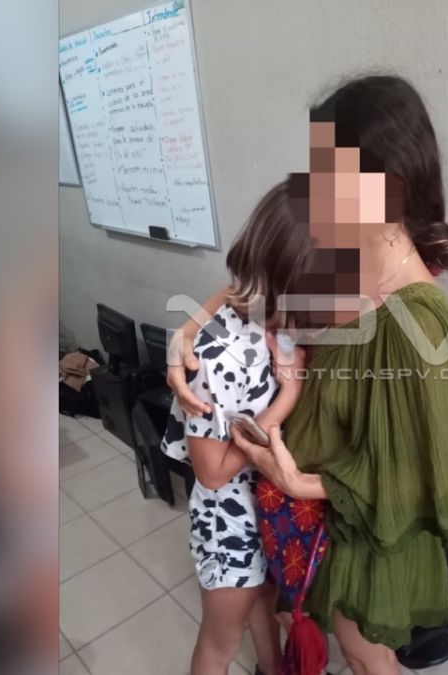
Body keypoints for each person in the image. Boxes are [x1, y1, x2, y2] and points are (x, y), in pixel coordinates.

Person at [171, 75, 448, 675]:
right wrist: (191, 328)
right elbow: (258, 282)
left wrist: (295, 480)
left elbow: (427, 481)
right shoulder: (357, 267)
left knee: (368, 659)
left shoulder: (416, 325)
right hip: (331, 530)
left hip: (372, 540)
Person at [161, 182, 312, 675]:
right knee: (220, 642)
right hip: (229, 519)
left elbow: (235, 290)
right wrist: (287, 397)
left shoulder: (267, 315)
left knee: (264, 602)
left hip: (264, 502)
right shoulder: (218, 355)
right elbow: (211, 472)